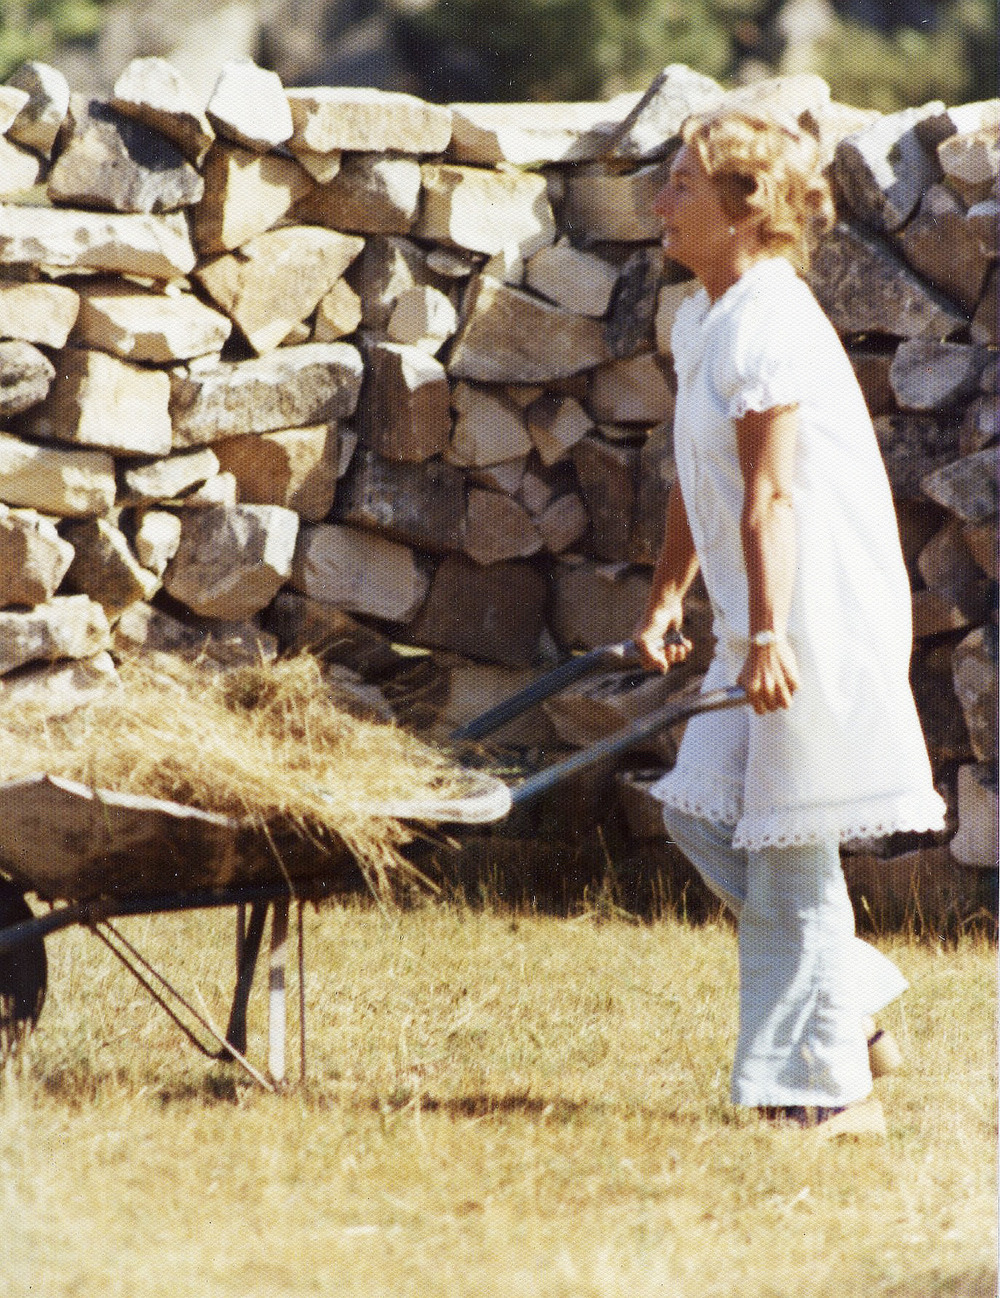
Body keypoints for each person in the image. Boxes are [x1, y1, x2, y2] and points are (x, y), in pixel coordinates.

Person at [635, 108, 946, 1137]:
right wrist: (668, 592)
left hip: (812, 619)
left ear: (744, 209)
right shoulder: (705, 318)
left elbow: (771, 498)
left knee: (786, 855)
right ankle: (847, 1003)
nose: (660, 200)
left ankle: (820, 1095)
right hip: (754, 619)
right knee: (698, 810)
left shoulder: (771, 320)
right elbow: (699, 476)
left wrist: (770, 638)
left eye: (681, 184)